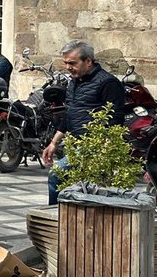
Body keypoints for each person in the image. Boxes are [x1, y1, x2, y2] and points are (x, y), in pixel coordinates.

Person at [42, 39, 126, 204]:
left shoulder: (108, 83)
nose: (68, 67)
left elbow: (116, 119)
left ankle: (57, 217)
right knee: (73, 187)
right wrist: (54, 143)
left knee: (57, 175)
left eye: (72, 63)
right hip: (76, 144)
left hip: (95, 148)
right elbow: (70, 114)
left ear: (88, 61)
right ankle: (62, 219)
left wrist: (103, 151)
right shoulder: (74, 82)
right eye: (65, 63)